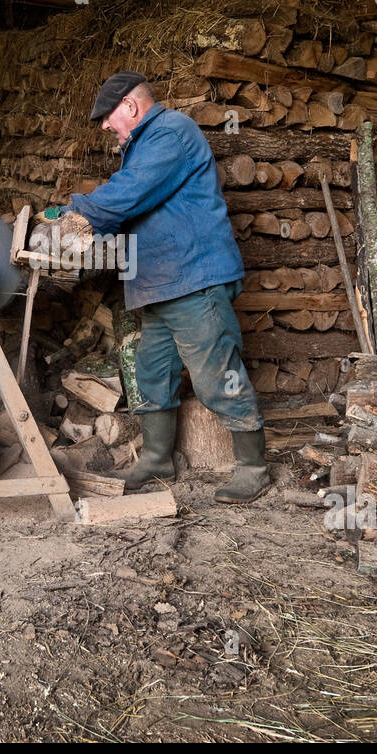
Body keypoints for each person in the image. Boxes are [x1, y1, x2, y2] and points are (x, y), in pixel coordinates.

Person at [56, 71, 269, 504]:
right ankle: (157, 459)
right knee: (152, 374)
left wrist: (77, 214)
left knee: (215, 379)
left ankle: (254, 467)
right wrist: (68, 213)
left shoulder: (170, 133)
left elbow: (130, 194)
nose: (103, 126)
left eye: (106, 116)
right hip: (161, 286)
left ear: (130, 108)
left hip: (194, 280)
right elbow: (131, 206)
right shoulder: (143, 146)